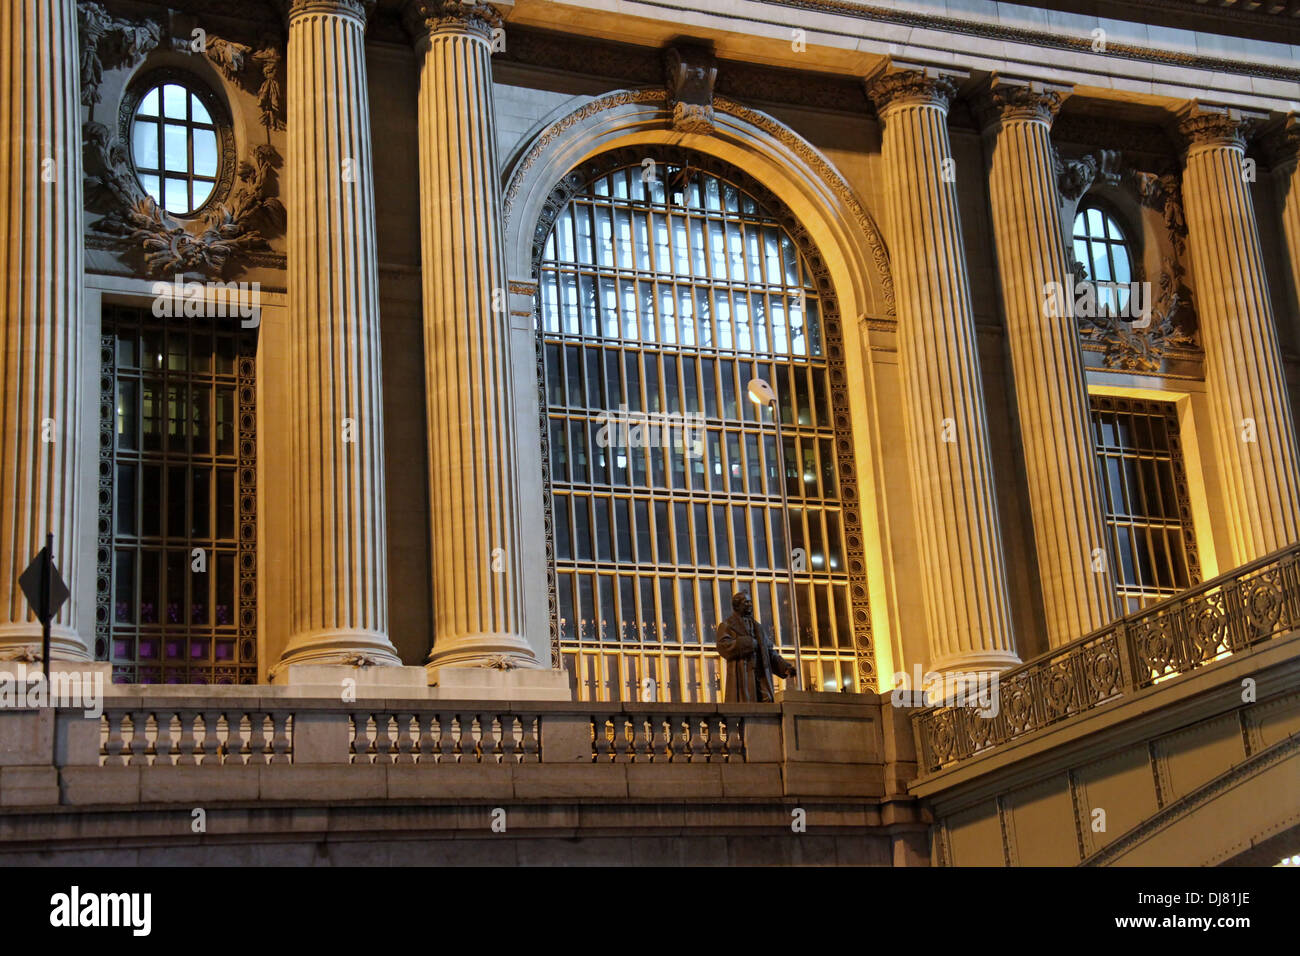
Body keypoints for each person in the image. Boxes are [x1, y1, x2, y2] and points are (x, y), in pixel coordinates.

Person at [715, 590, 797, 702]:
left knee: (766, 701)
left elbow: (769, 652)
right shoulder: (727, 625)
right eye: (746, 602)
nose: (750, 605)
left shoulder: (758, 627)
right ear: (737, 606)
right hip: (743, 674)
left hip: (761, 673)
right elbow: (723, 646)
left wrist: (785, 667)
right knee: (746, 704)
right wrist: (747, 643)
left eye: (750, 602)